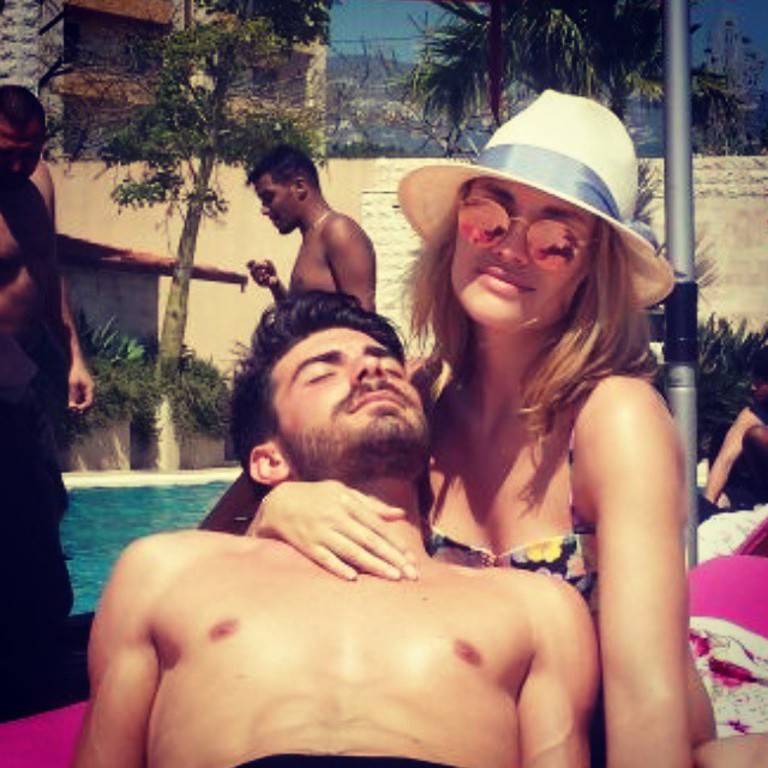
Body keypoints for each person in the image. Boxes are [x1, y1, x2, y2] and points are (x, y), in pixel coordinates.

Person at [227, 91, 728, 767]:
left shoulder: (614, 418)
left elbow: (644, 701)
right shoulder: (422, 397)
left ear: (591, 273)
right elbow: (225, 555)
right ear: (457, 230)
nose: (512, 249)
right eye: (489, 216)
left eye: (555, 239)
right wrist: (281, 507)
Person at [75, 293, 598, 768]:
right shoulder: (164, 572)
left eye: (385, 362)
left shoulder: (537, 608)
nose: (372, 369)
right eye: (323, 373)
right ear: (268, 461)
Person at [0, 84, 94, 412]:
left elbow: (48, 271)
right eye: (5, 153)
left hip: (33, 366)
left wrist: (74, 358)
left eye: (28, 153)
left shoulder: (40, 181)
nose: (17, 166)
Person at [246, 144, 376, 310]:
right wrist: (275, 286)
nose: (264, 210)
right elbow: (299, 320)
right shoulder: (312, 237)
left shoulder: (338, 231)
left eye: (268, 197)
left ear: (299, 187)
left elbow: (364, 318)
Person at [704, 346, 768, 509]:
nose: (753, 387)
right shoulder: (754, 413)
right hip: (759, 490)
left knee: (757, 436)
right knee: (723, 432)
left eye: (759, 382)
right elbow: (725, 460)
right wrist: (707, 504)